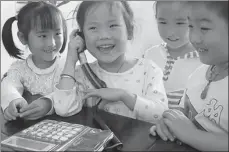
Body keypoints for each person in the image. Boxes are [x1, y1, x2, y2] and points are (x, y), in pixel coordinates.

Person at [49, 1, 168, 123]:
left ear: (130, 31)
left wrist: (124, 96)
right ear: (82, 36)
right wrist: (71, 59)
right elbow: (63, 108)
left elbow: (161, 115)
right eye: (93, 28)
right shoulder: (81, 74)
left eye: (112, 26)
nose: (104, 35)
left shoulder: (149, 70)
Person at [150, 1, 228, 151]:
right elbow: (184, 110)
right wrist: (169, 121)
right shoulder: (199, 73)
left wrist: (191, 135)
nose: (194, 38)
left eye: (204, 28)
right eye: (191, 26)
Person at [1, 1, 67, 121]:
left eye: (57, 33)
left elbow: (75, 96)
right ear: (22, 38)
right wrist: (14, 100)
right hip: (29, 130)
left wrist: (49, 104)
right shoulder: (20, 68)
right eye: (43, 36)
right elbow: (8, 85)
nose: (52, 43)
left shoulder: (68, 66)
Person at [143, 1, 202, 109]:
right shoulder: (150, 54)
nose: (170, 31)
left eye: (180, 23)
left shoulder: (203, 61)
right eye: (163, 22)